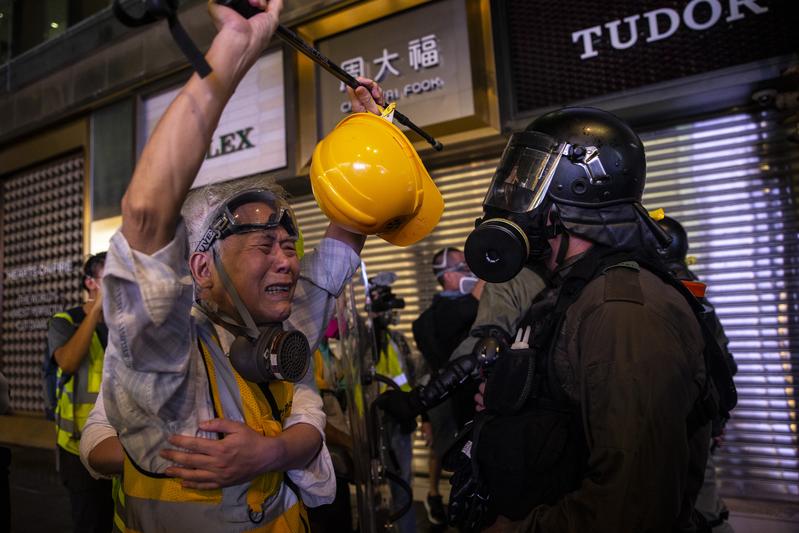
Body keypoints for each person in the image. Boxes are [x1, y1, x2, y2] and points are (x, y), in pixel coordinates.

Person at [88, 2, 393, 530]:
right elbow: (144, 212)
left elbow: (346, 235)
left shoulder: (282, 318)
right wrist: (231, 48)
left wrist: (368, 128)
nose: (288, 262)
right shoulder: (162, 345)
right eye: (263, 246)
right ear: (202, 267)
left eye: (290, 244)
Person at [657, 216, 737, 533]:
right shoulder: (689, 284)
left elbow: (709, 362)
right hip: (699, 420)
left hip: (690, 422)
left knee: (701, 509)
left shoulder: (674, 291)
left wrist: (715, 421)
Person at [411, 247, 483, 525]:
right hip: (453, 402)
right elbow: (429, 368)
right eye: (463, 266)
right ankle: (446, 500)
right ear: (448, 276)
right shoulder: (441, 316)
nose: (471, 271)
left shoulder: (429, 319)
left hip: (454, 400)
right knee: (446, 452)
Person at [47, 252, 113, 533]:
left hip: (120, 441)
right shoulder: (64, 321)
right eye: (109, 278)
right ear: (90, 283)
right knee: (89, 523)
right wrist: (96, 311)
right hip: (77, 446)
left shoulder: (125, 325)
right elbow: (68, 362)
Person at [369, 272, 419, 533]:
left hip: (399, 419)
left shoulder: (395, 339)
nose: (392, 315)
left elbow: (409, 375)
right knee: (377, 489)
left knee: (403, 484)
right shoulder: (365, 340)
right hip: (373, 421)